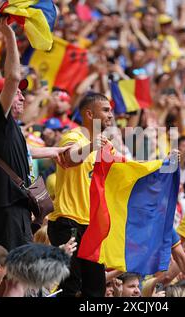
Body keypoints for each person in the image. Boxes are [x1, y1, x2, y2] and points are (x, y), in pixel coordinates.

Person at [0, 18, 68, 251]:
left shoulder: (10, 129)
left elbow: (24, 152)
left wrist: (56, 151)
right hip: (5, 207)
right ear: (3, 98)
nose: (22, 97)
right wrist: (9, 34)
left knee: (20, 270)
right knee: (14, 271)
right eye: (17, 94)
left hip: (14, 207)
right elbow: (13, 77)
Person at [46, 92, 112, 297]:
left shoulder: (106, 145)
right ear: (90, 114)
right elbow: (70, 158)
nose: (111, 115)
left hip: (92, 227)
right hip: (68, 222)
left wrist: (161, 166)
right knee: (70, 287)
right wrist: (92, 146)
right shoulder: (73, 136)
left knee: (96, 290)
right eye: (106, 110)